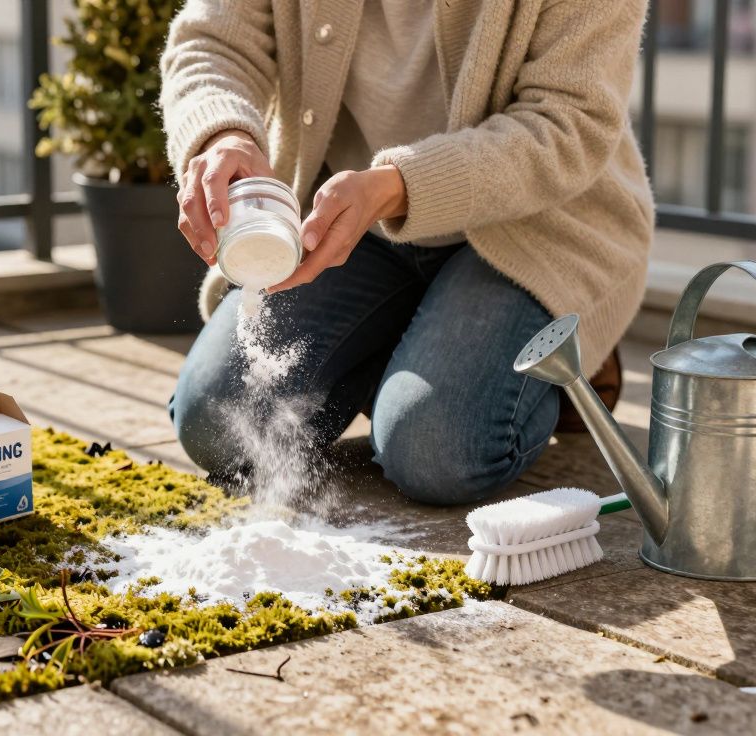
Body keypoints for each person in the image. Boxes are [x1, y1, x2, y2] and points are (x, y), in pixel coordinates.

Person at [161, 0, 653, 505]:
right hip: (346, 223)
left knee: (434, 452)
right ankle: (424, 342)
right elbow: (212, 43)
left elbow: (570, 122)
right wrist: (223, 135)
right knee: (214, 422)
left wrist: (397, 186)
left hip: (527, 230)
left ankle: (552, 363)